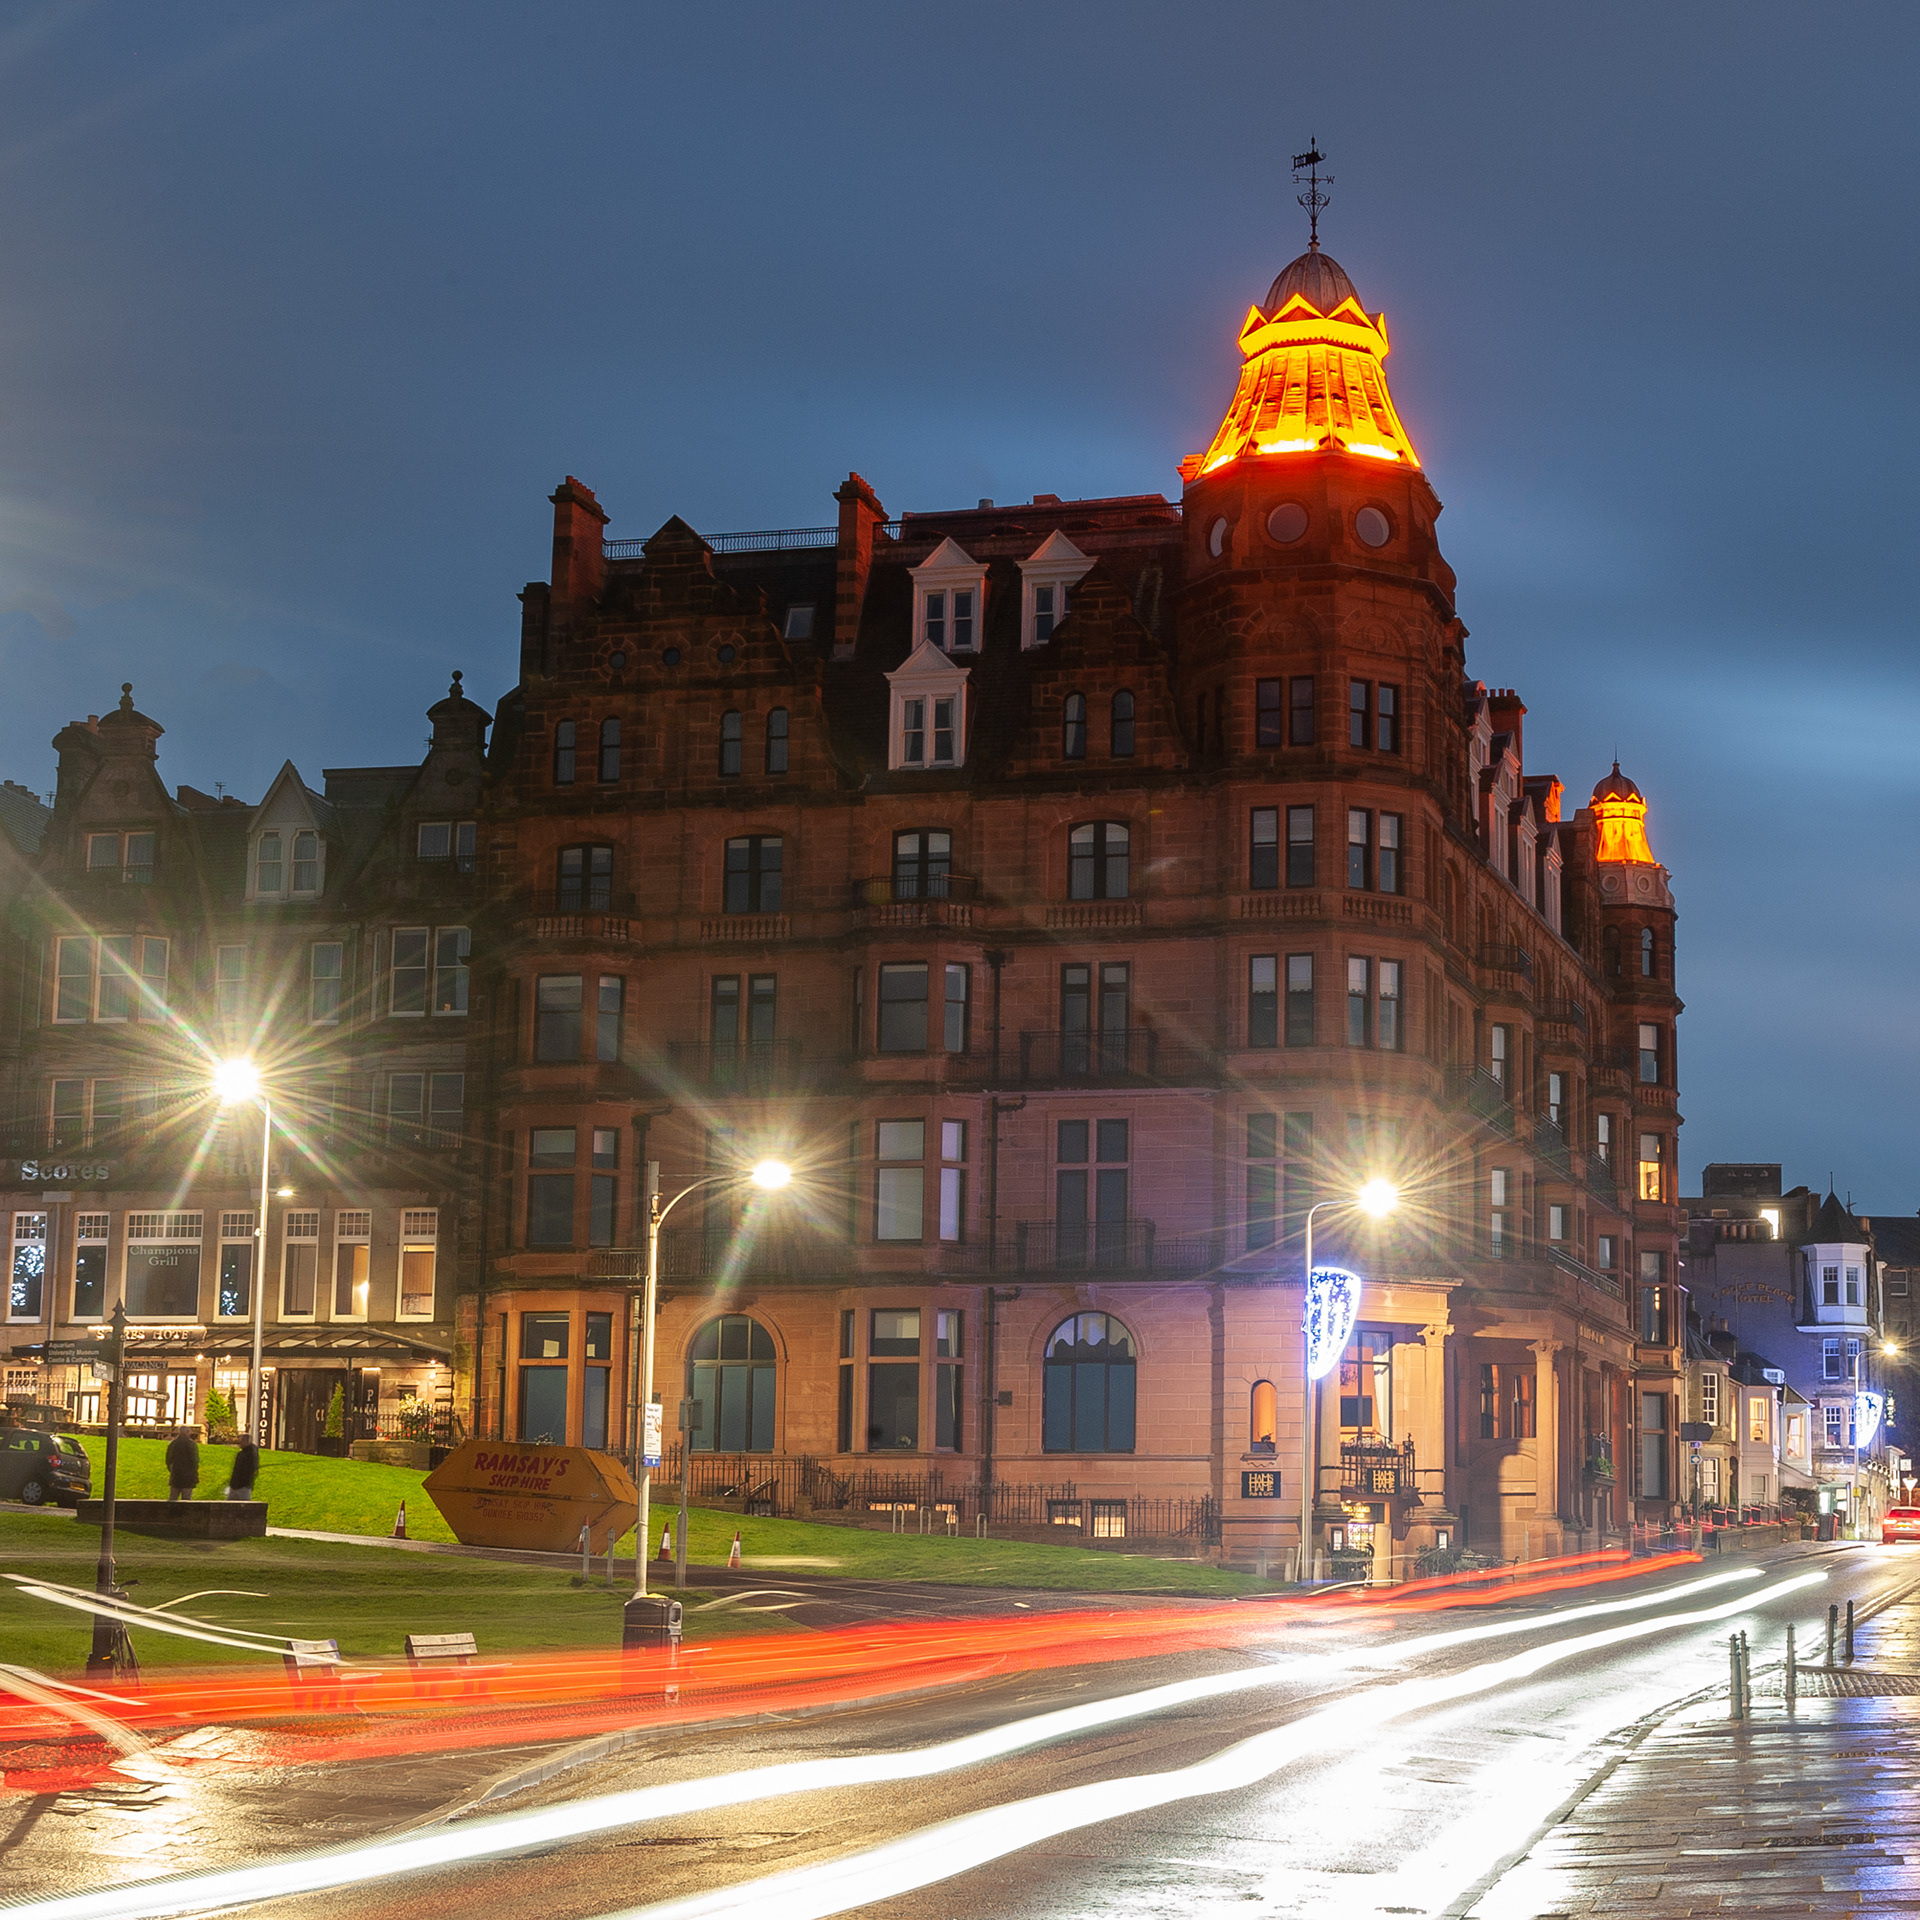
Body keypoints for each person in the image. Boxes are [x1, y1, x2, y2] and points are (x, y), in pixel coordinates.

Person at [165, 1425, 200, 1504]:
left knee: (172, 1498)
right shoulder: (191, 1444)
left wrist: (171, 1470)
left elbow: (168, 1460)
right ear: (187, 1432)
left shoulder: (173, 1444)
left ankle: (171, 1515)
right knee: (186, 1499)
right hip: (188, 1476)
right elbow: (195, 1460)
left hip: (175, 1475)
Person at [227, 1438, 260, 1502]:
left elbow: (249, 1470)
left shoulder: (250, 1454)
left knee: (244, 1504)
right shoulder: (242, 1453)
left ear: (247, 1442)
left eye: (242, 1441)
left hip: (243, 1486)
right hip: (236, 1485)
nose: (240, 1443)